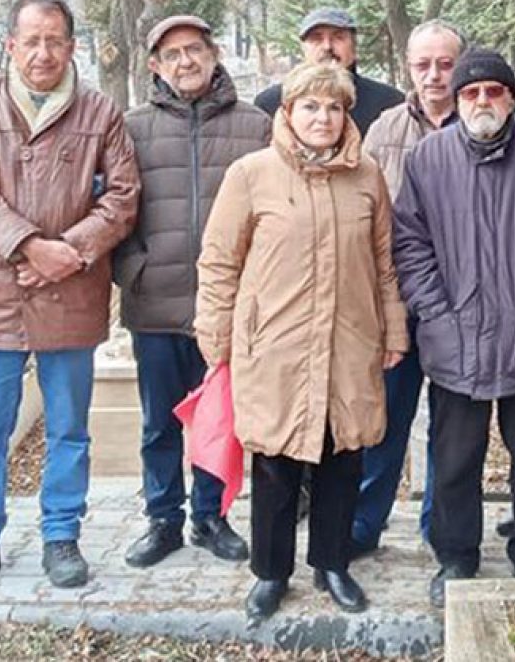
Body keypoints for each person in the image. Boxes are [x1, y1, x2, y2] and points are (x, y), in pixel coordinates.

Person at [0, 0, 141, 594]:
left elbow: (123, 197)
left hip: (71, 291)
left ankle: (61, 536)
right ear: (11, 45)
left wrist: (69, 252)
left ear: (72, 46)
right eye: (32, 41)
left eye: (55, 40)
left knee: (69, 428)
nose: (43, 53)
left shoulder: (100, 113)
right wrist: (29, 246)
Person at [197, 62, 409, 621]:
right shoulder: (251, 174)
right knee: (276, 462)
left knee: (344, 454)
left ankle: (332, 564)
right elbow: (219, 261)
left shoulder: (366, 176)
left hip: (350, 341)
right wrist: (216, 337)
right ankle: (271, 572)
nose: (323, 118)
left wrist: (393, 329)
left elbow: (385, 263)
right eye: (311, 107)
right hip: (276, 346)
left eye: (334, 107)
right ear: (288, 113)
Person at [393, 49, 515, 605]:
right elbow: (410, 242)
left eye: (493, 91)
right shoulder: (429, 159)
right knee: (455, 458)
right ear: (458, 101)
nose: (482, 101)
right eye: (471, 93)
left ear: (511, 97)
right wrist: (434, 310)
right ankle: (456, 556)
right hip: (454, 339)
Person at [114, 15, 269, 569]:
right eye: (173, 54)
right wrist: (134, 269)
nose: (186, 62)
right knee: (159, 421)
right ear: (155, 65)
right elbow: (115, 206)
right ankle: (163, 519)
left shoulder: (255, 126)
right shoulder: (132, 127)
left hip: (228, 308)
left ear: (214, 54)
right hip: (156, 302)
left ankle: (211, 515)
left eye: (195, 50)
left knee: (218, 418)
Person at [351, 19, 464, 556]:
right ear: (408, 67)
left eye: (445, 64)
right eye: (423, 65)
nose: (434, 75)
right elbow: (365, 217)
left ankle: (440, 527)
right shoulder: (384, 129)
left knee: (452, 427)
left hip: (461, 306)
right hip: (396, 306)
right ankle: (364, 524)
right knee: (385, 422)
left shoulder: (483, 122)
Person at [253, 7, 405, 136]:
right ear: (303, 48)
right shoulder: (271, 103)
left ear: (354, 47)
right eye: (316, 39)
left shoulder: (389, 104)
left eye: (338, 37)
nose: (327, 46)